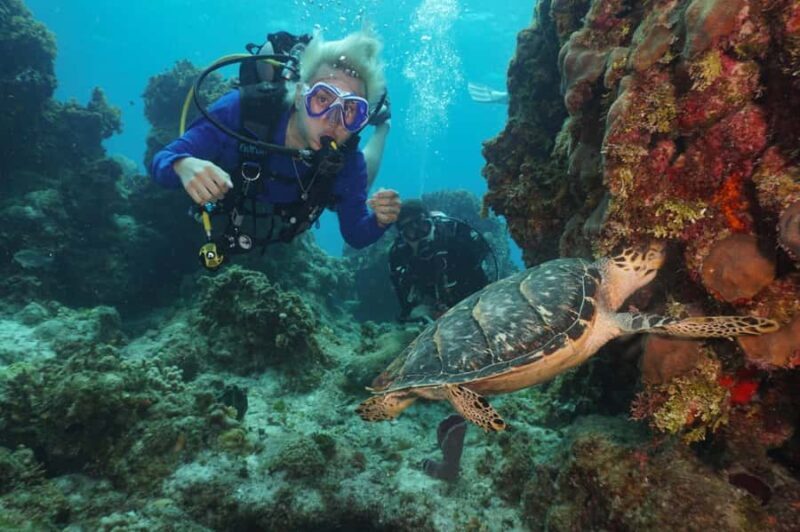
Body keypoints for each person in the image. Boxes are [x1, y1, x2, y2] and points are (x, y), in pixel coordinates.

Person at [150, 29, 401, 257]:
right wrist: (183, 164)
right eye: (323, 99)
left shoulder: (348, 163)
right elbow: (163, 159)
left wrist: (380, 220)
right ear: (300, 95)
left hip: (282, 217)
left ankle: (383, 127)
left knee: (364, 175)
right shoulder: (243, 110)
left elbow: (356, 234)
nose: (333, 121)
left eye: (351, 109)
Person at [389, 200, 492, 322]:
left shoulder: (457, 241)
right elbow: (406, 307)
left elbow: (482, 285)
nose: (420, 236)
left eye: (423, 226)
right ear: (404, 238)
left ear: (432, 224)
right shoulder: (400, 259)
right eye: (411, 232)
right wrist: (422, 311)